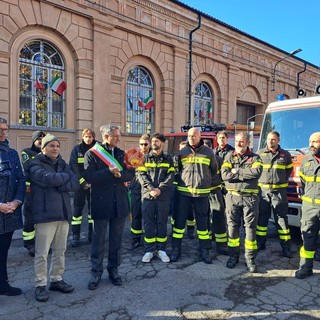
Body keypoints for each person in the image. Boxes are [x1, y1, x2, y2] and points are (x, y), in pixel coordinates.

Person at [27, 134, 79, 302]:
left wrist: (59, 181)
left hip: (63, 214)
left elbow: (75, 183)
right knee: (42, 253)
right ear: (43, 148)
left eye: (57, 146)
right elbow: (45, 179)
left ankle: (56, 279)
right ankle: (40, 284)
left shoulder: (62, 164)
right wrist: (64, 179)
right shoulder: (35, 163)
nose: (55, 148)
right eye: (51, 146)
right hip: (44, 215)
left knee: (60, 251)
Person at [84, 124, 134, 290]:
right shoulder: (92, 154)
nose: (118, 138)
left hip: (119, 203)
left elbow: (130, 173)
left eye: (118, 135)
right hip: (101, 202)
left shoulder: (121, 153)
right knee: (98, 240)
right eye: (115, 136)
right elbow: (90, 176)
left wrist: (120, 175)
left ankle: (114, 269)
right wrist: (109, 172)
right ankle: (96, 272)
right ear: (106, 137)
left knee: (116, 240)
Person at [171, 128, 220, 264]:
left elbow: (214, 170)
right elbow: (178, 170)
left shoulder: (208, 152)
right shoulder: (182, 153)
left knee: (202, 224)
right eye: (190, 136)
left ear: (200, 136)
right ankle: (176, 250)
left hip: (201, 194)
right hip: (184, 193)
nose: (192, 138)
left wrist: (204, 181)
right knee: (179, 223)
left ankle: (204, 251)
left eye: (194, 136)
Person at [221, 132, 262, 273]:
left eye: (242, 141)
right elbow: (225, 175)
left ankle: (250, 259)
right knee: (232, 227)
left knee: (250, 229)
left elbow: (256, 173)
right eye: (237, 141)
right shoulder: (229, 156)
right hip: (232, 197)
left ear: (248, 143)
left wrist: (236, 171)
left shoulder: (255, 158)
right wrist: (245, 173)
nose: (238, 144)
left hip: (250, 198)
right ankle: (233, 257)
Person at [137, 132, 175, 263]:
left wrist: (160, 188)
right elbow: (141, 176)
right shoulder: (144, 158)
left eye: (157, 141)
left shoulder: (169, 159)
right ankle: (149, 250)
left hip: (163, 196)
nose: (154, 143)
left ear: (162, 143)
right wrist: (151, 189)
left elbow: (171, 177)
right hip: (148, 196)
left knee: (162, 223)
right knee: (148, 223)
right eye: (152, 141)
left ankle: (161, 250)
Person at [256, 131, 293, 257]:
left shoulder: (285, 155)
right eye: (268, 139)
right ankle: (260, 243)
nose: (270, 141)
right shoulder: (259, 154)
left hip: (279, 193)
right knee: (262, 218)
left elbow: (289, 170)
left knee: (281, 219)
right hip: (263, 193)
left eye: (273, 139)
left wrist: (280, 181)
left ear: (278, 140)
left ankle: (286, 247)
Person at [0, 117, 25, 296]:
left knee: (3, 250)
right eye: (0, 129)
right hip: (1, 208)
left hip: (9, 211)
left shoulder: (12, 152)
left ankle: (3, 284)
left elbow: (21, 179)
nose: (3, 133)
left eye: (5, 129)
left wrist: (16, 202)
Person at [295, 132, 320, 279]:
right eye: (310, 141)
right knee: (308, 237)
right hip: (310, 208)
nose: (311, 145)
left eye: (315, 142)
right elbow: (303, 183)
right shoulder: (306, 161)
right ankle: (305, 267)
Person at [69, 128, 96, 247]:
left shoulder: (97, 149)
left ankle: (92, 235)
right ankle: (75, 236)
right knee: (77, 212)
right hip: (80, 185)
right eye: (86, 136)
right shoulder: (77, 149)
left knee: (93, 212)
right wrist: (83, 182)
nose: (88, 139)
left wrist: (93, 182)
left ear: (93, 137)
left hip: (94, 185)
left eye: (90, 136)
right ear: (83, 137)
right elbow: (73, 167)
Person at [21, 130, 45, 256]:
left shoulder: (47, 152)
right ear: (34, 140)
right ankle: (29, 244)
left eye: (43, 138)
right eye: (38, 138)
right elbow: (28, 167)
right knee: (29, 217)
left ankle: (41, 244)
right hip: (31, 190)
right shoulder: (26, 152)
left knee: (42, 217)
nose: (41, 141)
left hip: (44, 190)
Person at [203, 139, 228, 255]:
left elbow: (224, 177)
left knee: (218, 217)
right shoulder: (199, 161)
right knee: (204, 218)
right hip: (202, 193)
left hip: (214, 192)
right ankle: (206, 243)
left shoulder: (219, 160)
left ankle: (221, 244)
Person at [129, 134, 150, 250]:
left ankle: (149, 238)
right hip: (136, 189)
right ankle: (135, 239)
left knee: (149, 216)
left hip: (148, 190)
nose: (143, 146)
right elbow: (130, 172)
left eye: (146, 144)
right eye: (141, 144)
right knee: (136, 215)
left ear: (150, 144)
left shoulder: (153, 156)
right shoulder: (135, 156)